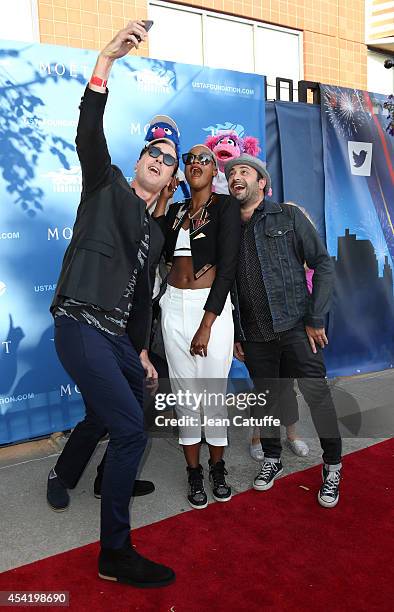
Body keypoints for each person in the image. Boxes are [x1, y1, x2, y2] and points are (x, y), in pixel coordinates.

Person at [47, 22, 177, 587]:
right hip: (79, 323)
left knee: (121, 409)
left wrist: (142, 354)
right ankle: (114, 553)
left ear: (170, 180)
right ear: (140, 159)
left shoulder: (154, 236)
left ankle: (94, 475)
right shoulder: (105, 184)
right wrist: (106, 60)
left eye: (168, 157)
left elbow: (142, 305)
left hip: (117, 337)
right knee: (128, 430)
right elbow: (88, 130)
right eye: (153, 150)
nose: (159, 157)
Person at [226, 154, 342, 508]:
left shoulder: (287, 216)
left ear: (261, 182)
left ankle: (333, 465)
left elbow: (323, 263)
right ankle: (273, 457)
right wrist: (235, 332)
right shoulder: (227, 227)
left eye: (244, 171)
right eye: (231, 173)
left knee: (317, 395)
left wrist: (315, 317)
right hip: (254, 333)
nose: (235, 176)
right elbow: (226, 285)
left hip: (295, 325)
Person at [153, 145, 241, 509]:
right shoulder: (174, 211)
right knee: (185, 396)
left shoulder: (225, 207)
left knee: (212, 396)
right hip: (174, 306)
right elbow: (154, 244)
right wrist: (162, 200)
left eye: (204, 159)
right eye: (189, 160)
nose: (195, 164)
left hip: (213, 312)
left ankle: (217, 467)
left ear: (214, 169)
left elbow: (229, 266)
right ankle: (193, 472)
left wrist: (207, 323)